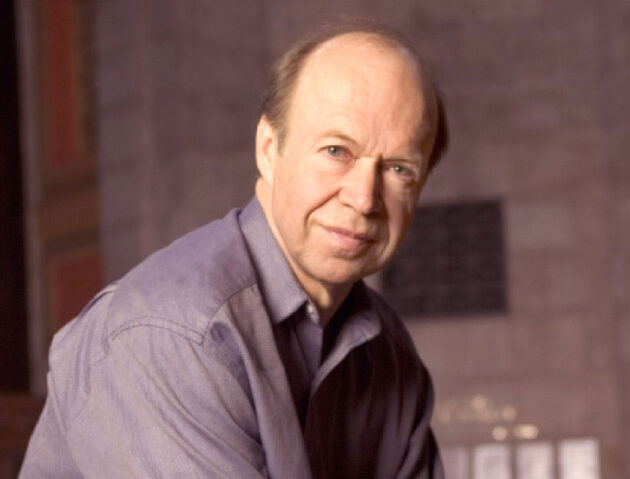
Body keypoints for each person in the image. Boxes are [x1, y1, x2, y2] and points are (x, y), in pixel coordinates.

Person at [20, 19, 448, 478]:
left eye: (399, 170)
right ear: (269, 149)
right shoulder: (174, 332)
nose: (364, 199)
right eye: (336, 151)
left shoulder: (388, 351)